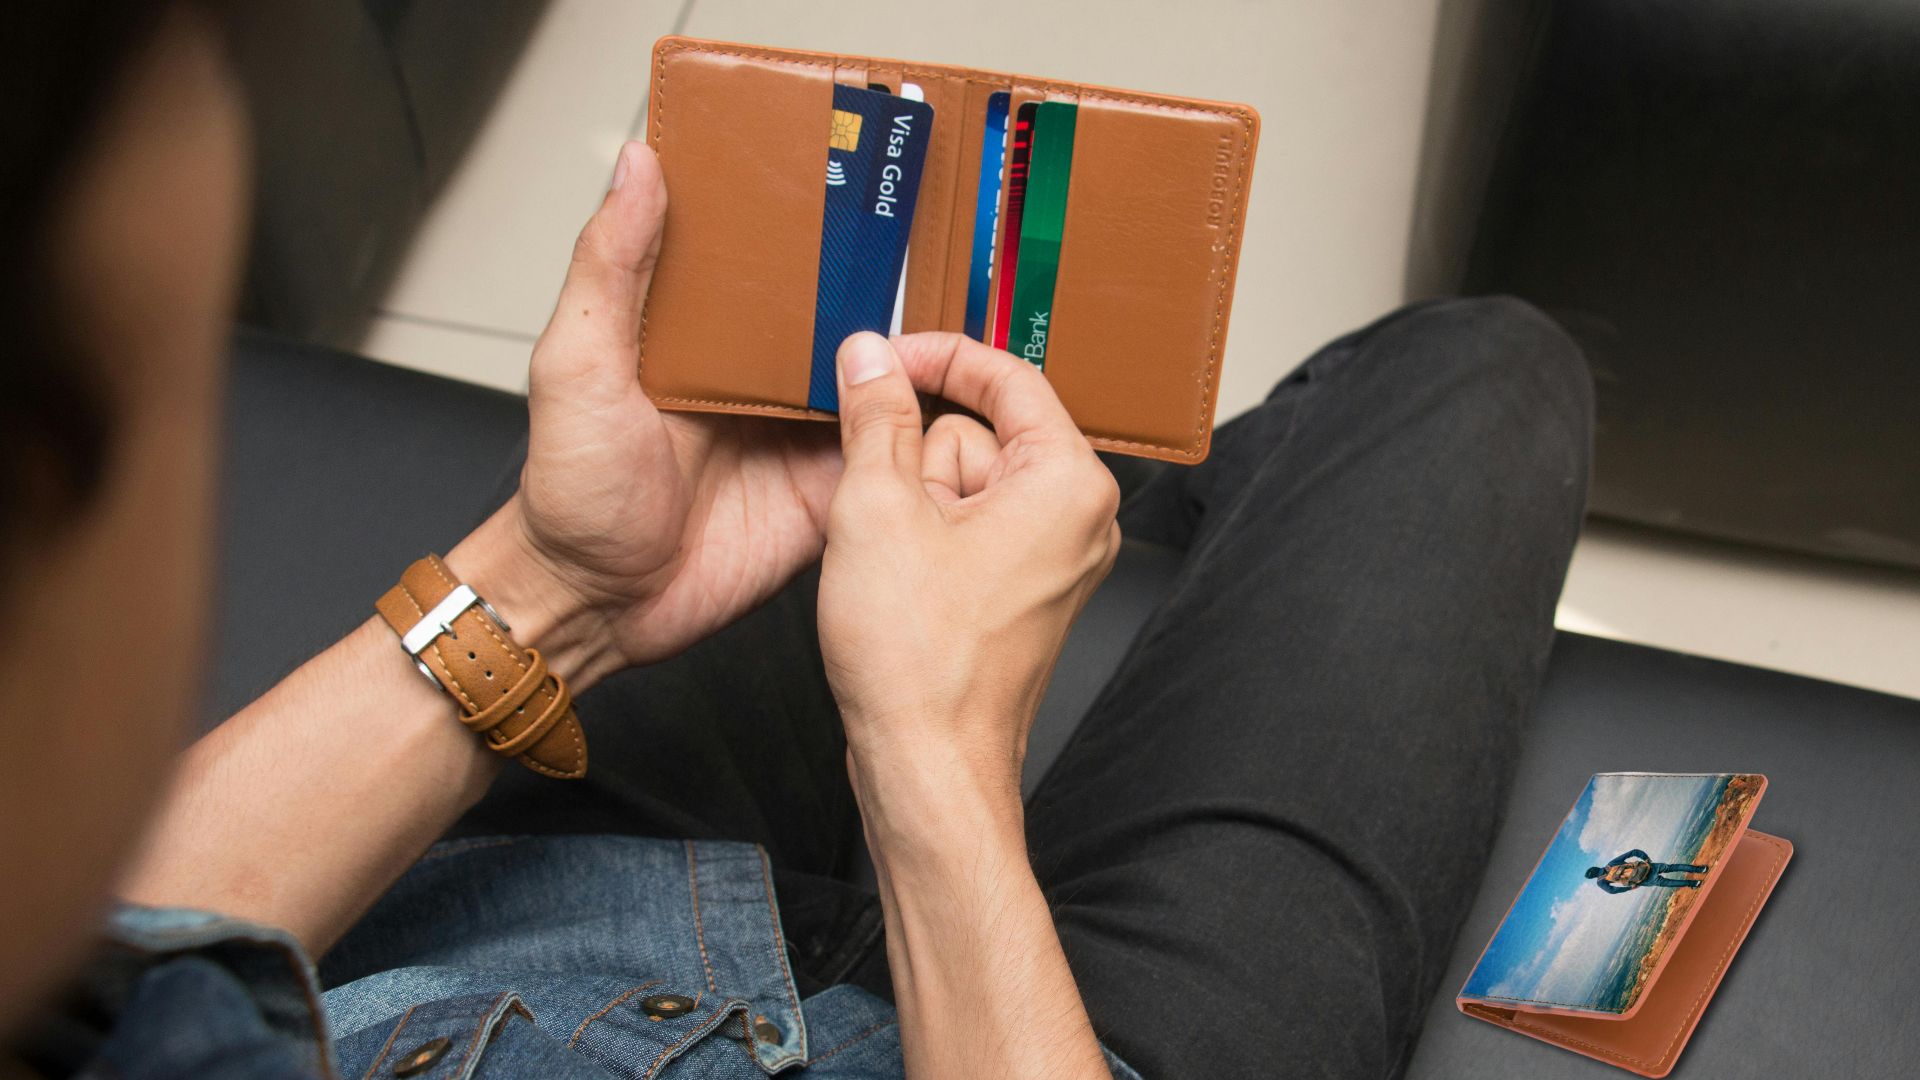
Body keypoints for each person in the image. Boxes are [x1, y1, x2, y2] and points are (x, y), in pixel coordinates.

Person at [0, 5, 1591, 1079]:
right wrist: (933, 761)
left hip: (502, 911)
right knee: (1474, 378)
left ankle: (1120, 515)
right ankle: (1156, 521)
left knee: (948, 389)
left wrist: (564, 586)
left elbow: (116, 967)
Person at [1587, 850, 1709, 892]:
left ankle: (1694, 883)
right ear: (1597, 867)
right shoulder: (1611, 864)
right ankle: (1701, 869)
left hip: (1643, 880)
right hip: (1648, 867)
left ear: (1594, 877)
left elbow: (1612, 891)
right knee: (1673, 867)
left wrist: (1630, 887)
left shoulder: (1601, 882)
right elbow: (1633, 851)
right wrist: (1646, 859)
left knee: (1668, 883)